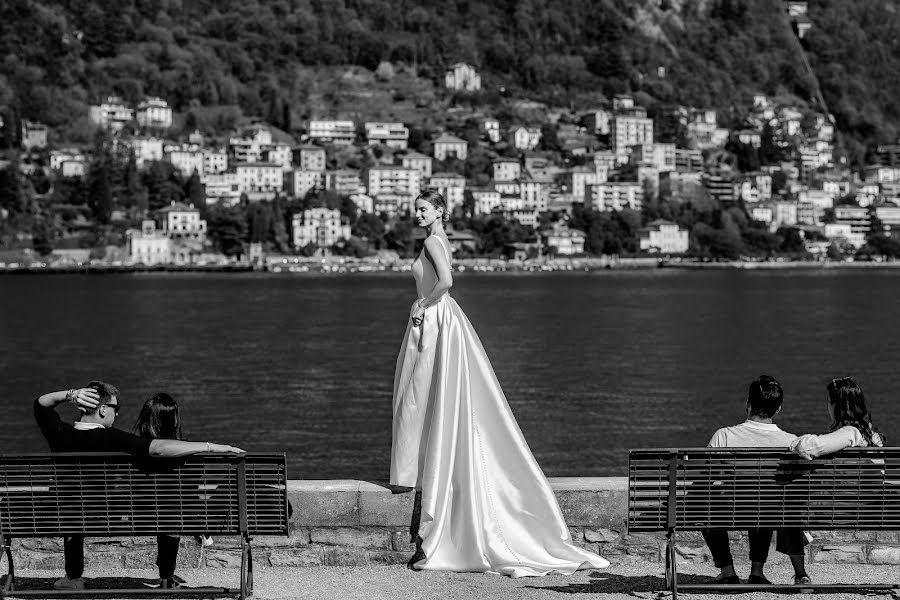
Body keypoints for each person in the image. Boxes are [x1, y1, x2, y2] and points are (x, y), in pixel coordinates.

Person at [389, 190, 608, 577]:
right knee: (434, 399)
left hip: (435, 319)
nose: (418, 214)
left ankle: (427, 476)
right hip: (442, 320)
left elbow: (446, 282)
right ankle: (435, 472)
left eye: (424, 209)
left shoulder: (431, 242)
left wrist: (421, 307)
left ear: (440, 211)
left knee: (420, 398)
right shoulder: (440, 240)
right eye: (417, 209)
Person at [34, 382, 244, 591]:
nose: (116, 416)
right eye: (116, 409)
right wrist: (210, 446)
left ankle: (72, 578)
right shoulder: (112, 438)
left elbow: (40, 405)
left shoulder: (58, 433)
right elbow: (158, 448)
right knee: (169, 509)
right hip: (103, 515)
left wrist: (71, 394)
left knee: (72, 511)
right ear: (103, 409)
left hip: (61, 515)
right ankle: (169, 575)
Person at [701, 375, 811, 588]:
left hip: (731, 510)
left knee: (702, 502)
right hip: (770, 511)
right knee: (769, 499)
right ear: (778, 408)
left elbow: (706, 481)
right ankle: (757, 572)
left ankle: (727, 571)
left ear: (748, 404)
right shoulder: (791, 442)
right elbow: (794, 490)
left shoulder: (724, 436)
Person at [790, 376, 884, 459]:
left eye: (828, 401)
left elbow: (806, 447)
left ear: (837, 406)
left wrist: (796, 441)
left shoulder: (851, 433)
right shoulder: (871, 434)